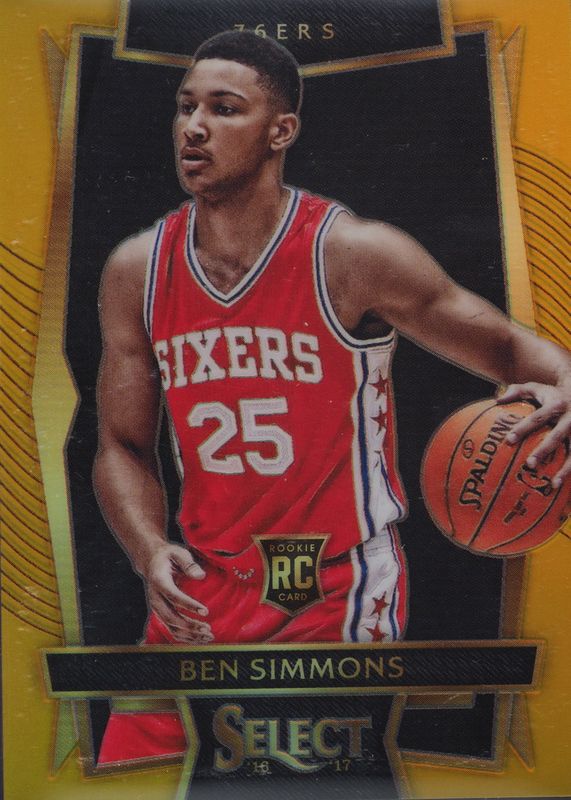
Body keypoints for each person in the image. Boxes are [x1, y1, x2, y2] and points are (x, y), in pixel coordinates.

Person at [93, 30, 571, 764]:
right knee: (124, 779)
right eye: (186, 107)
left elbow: (509, 348)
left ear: (280, 130)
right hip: (200, 593)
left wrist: (566, 385)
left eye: (224, 109)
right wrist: (148, 549)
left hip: (329, 594)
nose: (194, 127)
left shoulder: (351, 254)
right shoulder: (137, 269)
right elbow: (122, 445)